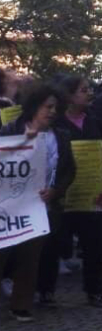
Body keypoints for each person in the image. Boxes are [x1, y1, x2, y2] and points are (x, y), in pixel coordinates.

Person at [0, 83, 75, 322]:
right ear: (35, 107)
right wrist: (19, 144)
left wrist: (56, 191)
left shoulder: (61, 137)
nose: (52, 112)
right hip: (8, 206)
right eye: (48, 107)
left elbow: (69, 170)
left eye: (56, 108)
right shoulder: (11, 130)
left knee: (31, 256)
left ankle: (21, 304)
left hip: (42, 207)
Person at [44, 76, 101, 307]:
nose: (88, 94)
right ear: (68, 96)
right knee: (53, 243)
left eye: (88, 90)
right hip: (62, 194)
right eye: (83, 90)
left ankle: (94, 290)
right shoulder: (56, 125)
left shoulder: (95, 121)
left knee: (94, 243)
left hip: (90, 195)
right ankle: (45, 290)